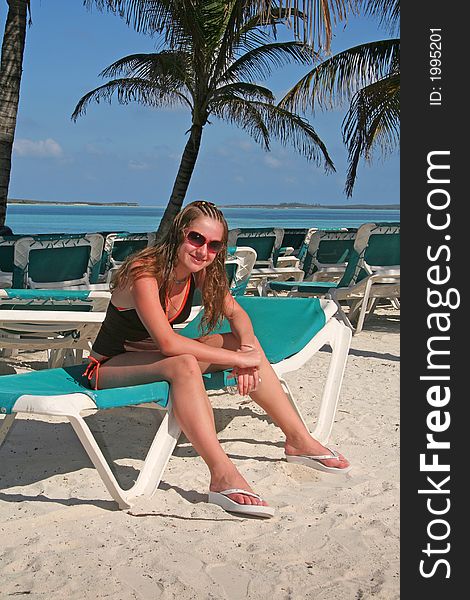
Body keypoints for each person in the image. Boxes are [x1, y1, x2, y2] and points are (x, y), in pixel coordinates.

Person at [85, 200, 350, 518]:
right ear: (180, 233)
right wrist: (238, 361)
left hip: (154, 360)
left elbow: (237, 313)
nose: (202, 251)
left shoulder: (201, 271)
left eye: (213, 245)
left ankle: (299, 441)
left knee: (242, 344)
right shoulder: (146, 273)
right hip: (108, 366)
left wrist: (247, 351)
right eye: (196, 238)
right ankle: (222, 474)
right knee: (184, 362)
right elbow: (168, 343)